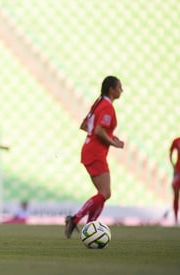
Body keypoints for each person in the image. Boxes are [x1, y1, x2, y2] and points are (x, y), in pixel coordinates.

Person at [65, 75, 124, 238]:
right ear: (111, 89)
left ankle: (89, 228)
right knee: (105, 193)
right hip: (95, 152)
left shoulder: (98, 103)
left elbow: (85, 126)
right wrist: (113, 142)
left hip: (90, 149)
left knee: (103, 193)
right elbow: (98, 130)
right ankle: (76, 219)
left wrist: (110, 137)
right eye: (119, 87)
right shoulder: (107, 106)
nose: (121, 91)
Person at [169, 137, 180, 225]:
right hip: (178, 171)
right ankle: (176, 219)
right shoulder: (177, 141)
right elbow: (170, 153)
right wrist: (173, 166)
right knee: (176, 194)